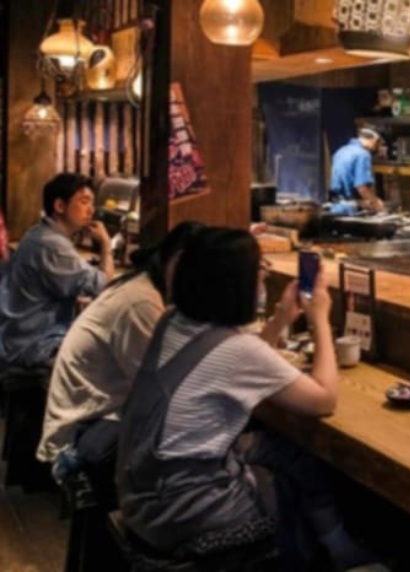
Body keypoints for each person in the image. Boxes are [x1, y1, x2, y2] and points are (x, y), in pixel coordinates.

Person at [116, 228, 373, 570]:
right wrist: (321, 321)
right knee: (286, 490)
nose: (263, 280)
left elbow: (239, 360)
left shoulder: (172, 321)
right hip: (183, 515)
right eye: (260, 272)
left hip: (143, 494)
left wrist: (282, 318)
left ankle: (337, 546)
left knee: (289, 452)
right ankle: (325, 553)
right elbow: (324, 399)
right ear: (235, 285)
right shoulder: (237, 349)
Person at [36, 222, 205, 507]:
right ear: (177, 261)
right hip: (81, 432)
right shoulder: (141, 302)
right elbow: (159, 391)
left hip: (92, 413)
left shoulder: (142, 286)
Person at [0, 173, 114, 369]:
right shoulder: (52, 246)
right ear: (60, 206)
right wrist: (105, 244)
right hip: (34, 344)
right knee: (107, 359)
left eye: (92, 203)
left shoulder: (39, 233)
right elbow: (103, 285)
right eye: (83, 202)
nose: (91, 210)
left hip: (17, 337)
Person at [330, 125, 384, 212]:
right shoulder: (363, 155)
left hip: (335, 208)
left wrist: (362, 202)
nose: (378, 148)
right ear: (375, 140)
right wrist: (377, 204)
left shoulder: (341, 151)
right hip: (349, 211)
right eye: (379, 144)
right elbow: (362, 187)